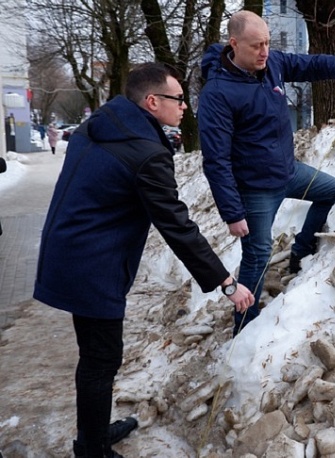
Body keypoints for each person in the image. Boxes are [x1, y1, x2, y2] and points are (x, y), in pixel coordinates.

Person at [34, 63, 255, 458]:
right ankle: (93, 449)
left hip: (69, 249)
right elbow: (177, 226)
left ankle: (95, 434)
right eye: (178, 98)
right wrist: (226, 282)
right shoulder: (146, 153)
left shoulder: (104, 122)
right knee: (101, 359)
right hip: (93, 265)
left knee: (95, 356)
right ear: (152, 102)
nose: (185, 106)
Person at [198, 10, 335, 335]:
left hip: (289, 173)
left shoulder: (271, 63)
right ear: (234, 44)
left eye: (267, 43)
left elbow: (311, 64)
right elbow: (215, 160)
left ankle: (301, 252)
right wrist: (232, 213)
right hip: (255, 189)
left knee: (333, 190)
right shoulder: (217, 94)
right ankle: (245, 330)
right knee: (258, 255)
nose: (264, 51)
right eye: (256, 45)